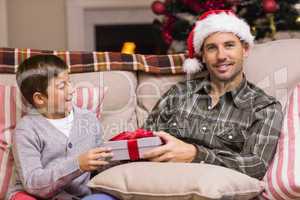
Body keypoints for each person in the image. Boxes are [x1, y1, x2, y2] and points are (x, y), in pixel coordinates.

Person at [142, 9, 283, 180]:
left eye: (229, 45)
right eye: (211, 48)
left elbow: (256, 165)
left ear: (245, 50)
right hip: (160, 183)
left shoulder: (264, 107)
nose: (221, 56)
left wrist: (196, 155)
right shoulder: (178, 93)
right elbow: (143, 141)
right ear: (202, 56)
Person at [6, 55, 118, 200]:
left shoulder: (88, 120)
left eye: (69, 82)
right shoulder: (27, 129)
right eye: (61, 86)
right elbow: (32, 182)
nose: (71, 90)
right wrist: (77, 164)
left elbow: (101, 165)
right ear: (40, 98)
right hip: (34, 195)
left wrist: (133, 153)